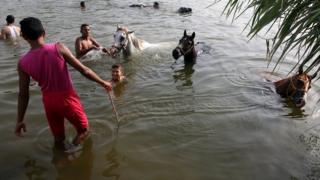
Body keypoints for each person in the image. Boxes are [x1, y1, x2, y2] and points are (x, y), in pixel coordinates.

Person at [15, 17, 113, 150]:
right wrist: (103, 82)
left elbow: (23, 95)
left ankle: (60, 161)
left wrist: (20, 120)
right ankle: (71, 155)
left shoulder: (22, 63)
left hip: (48, 102)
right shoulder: (58, 48)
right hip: (67, 99)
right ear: (44, 32)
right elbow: (84, 70)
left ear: (24, 37)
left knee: (58, 138)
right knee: (83, 130)